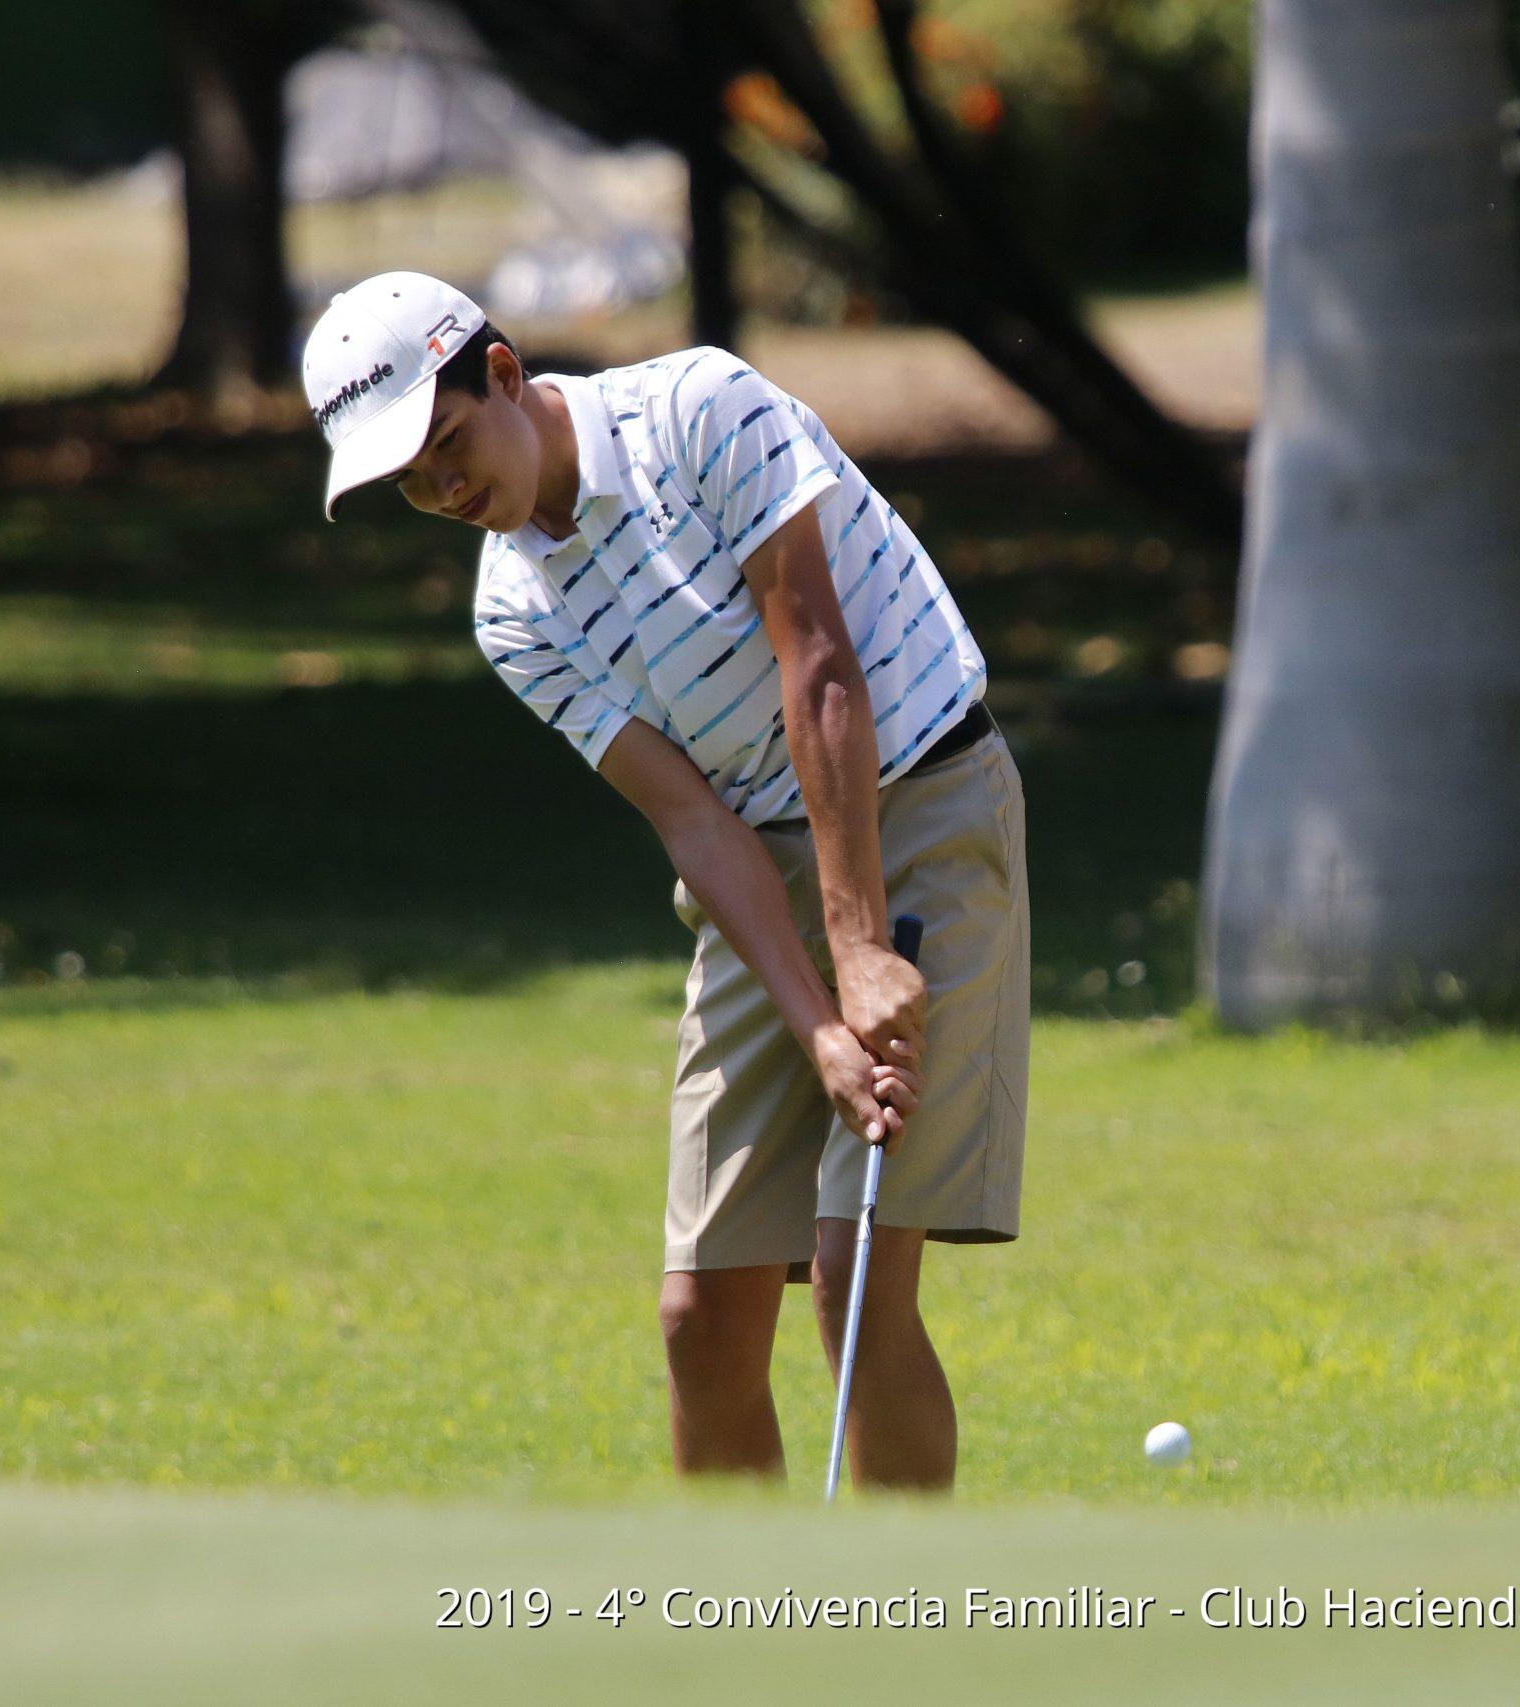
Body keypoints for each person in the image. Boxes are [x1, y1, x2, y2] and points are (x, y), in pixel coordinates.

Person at [301, 271, 1029, 1492]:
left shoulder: (701, 410)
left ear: (503, 373)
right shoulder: (513, 614)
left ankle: (901, 1609)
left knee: (852, 1279)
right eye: (410, 482)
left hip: (915, 797)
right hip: (752, 854)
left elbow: (819, 664)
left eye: (447, 445)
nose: (443, 491)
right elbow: (692, 821)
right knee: (700, 1319)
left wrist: (859, 949)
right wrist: (818, 1027)